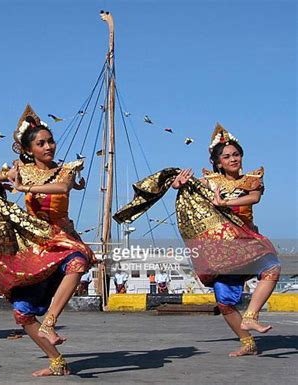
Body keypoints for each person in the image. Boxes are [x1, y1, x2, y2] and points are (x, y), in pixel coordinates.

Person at [114, 123, 280, 357]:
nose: (233, 159)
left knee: (272, 267)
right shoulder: (209, 183)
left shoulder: (252, 180)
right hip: (221, 247)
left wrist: (225, 203)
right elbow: (187, 189)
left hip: (246, 241)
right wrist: (177, 184)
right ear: (218, 162)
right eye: (227, 156)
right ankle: (247, 342)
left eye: (236, 154)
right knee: (224, 301)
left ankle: (251, 316)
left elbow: (254, 198)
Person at [0, 105, 96, 376]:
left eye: (50, 141)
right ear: (29, 149)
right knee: (22, 312)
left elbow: (63, 187)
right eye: (41, 143)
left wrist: (24, 188)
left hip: (62, 236)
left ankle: (51, 322)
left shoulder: (65, 170)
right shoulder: (21, 169)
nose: (49, 146)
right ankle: (56, 361)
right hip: (34, 243)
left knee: (78, 261)